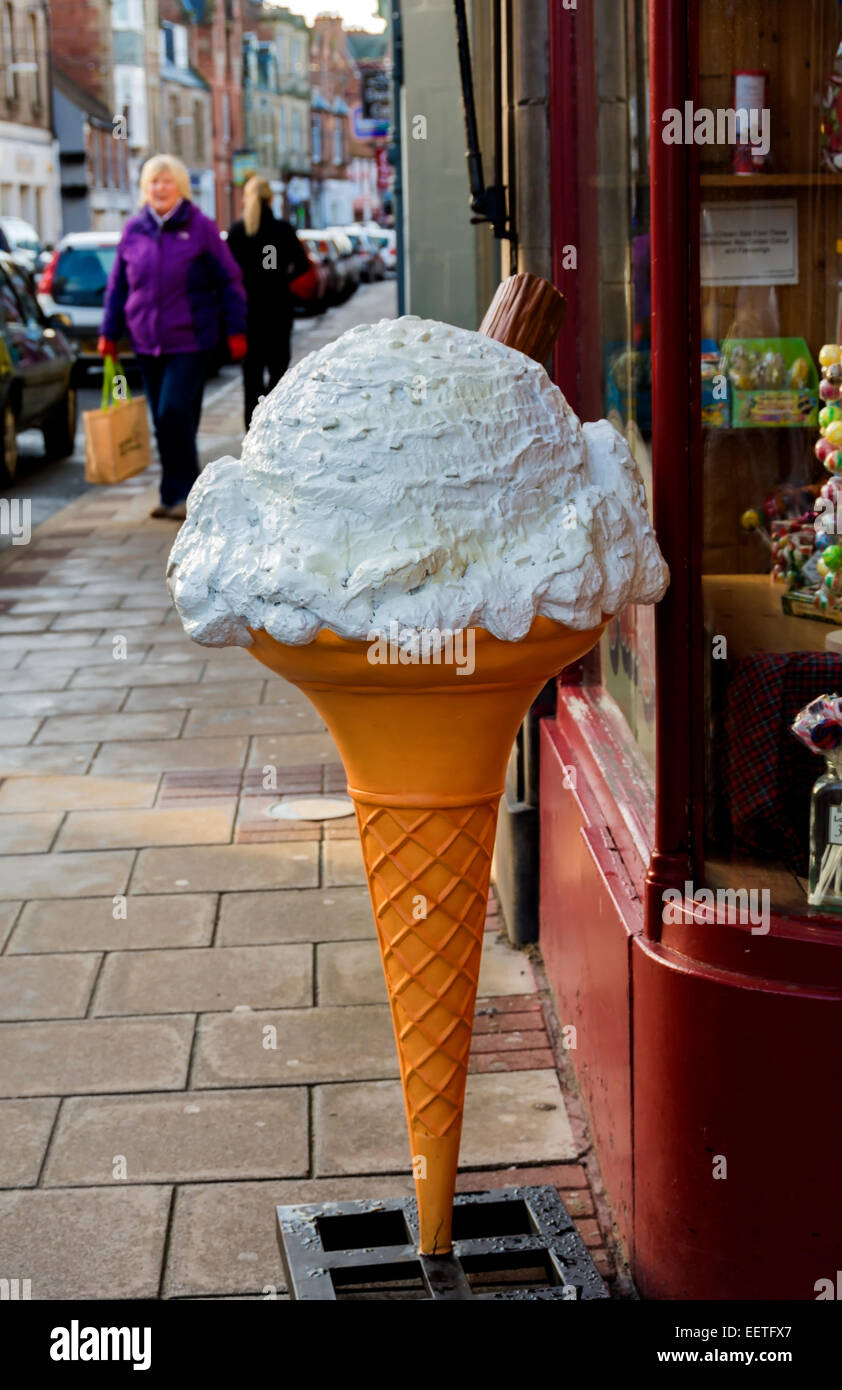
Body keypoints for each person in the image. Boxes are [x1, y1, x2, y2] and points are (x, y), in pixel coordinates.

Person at [98, 154, 247, 520]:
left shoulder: (201, 228)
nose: (160, 189)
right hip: (146, 341)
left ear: (180, 187)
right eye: (153, 182)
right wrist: (108, 331)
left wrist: (237, 329)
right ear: (144, 190)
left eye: (167, 182)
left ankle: (186, 490)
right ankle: (174, 493)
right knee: (167, 419)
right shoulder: (134, 230)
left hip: (192, 339)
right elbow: (118, 285)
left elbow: (229, 279)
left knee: (173, 411)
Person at [227, 176, 315, 430]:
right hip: (278, 309)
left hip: (249, 312)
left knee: (251, 374)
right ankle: (273, 421)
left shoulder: (237, 231)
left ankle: (252, 427)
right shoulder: (283, 230)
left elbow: (229, 273)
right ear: (271, 199)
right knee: (279, 370)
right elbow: (302, 265)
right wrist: (283, 280)